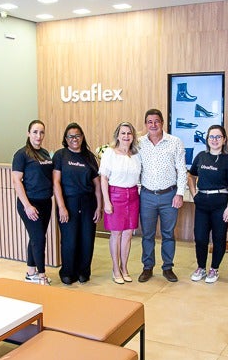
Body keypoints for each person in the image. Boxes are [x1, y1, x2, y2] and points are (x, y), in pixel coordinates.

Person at [137, 109, 187, 282]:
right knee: (147, 234)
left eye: (156, 121)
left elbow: (182, 170)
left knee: (168, 234)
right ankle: (147, 267)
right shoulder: (139, 143)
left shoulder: (175, 142)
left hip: (169, 195)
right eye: (149, 122)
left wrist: (180, 193)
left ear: (162, 123)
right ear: (145, 124)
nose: (153, 125)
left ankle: (168, 267)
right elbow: (135, 168)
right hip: (147, 196)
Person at [187, 125, 228, 283]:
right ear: (207, 139)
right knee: (200, 238)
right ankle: (201, 267)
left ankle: (214, 269)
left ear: (224, 140)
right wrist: (194, 194)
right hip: (202, 203)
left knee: (219, 238)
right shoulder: (201, 156)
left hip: (220, 204)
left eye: (218, 137)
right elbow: (191, 176)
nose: (214, 140)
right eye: (211, 137)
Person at [53, 123, 102, 285]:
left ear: (82, 137)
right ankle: (68, 272)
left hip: (88, 203)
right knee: (70, 239)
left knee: (87, 239)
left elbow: (97, 184)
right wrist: (61, 207)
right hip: (68, 202)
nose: (74, 139)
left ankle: (83, 271)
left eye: (78, 136)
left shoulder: (89, 157)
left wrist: (99, 206)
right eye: (71, 136)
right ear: (66, 139)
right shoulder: (60, 155)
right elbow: (56, 182)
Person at [11, 120, 54, 285]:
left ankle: (30, 273)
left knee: (37, 237)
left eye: (41, 132)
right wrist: (27, 206)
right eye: (35, 132)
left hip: (46, 202)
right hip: (30, 203)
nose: (38, 136)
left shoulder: (45, 153)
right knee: (39, 239)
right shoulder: (21, 154)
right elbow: (16, 181)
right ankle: (41, 276)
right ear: (28, 133)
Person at [99, 122, 141, 284]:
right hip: (115, 195)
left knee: (128, 233)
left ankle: (124, 267)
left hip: (133, 196)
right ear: (117, 135)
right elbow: (104, 178)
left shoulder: (136, 154)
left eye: (129, 133)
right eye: (123, 133)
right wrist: (106, 202)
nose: (126, 136)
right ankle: (115, 268)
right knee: (116, 233)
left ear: (133, 136)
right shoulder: (110, 153)